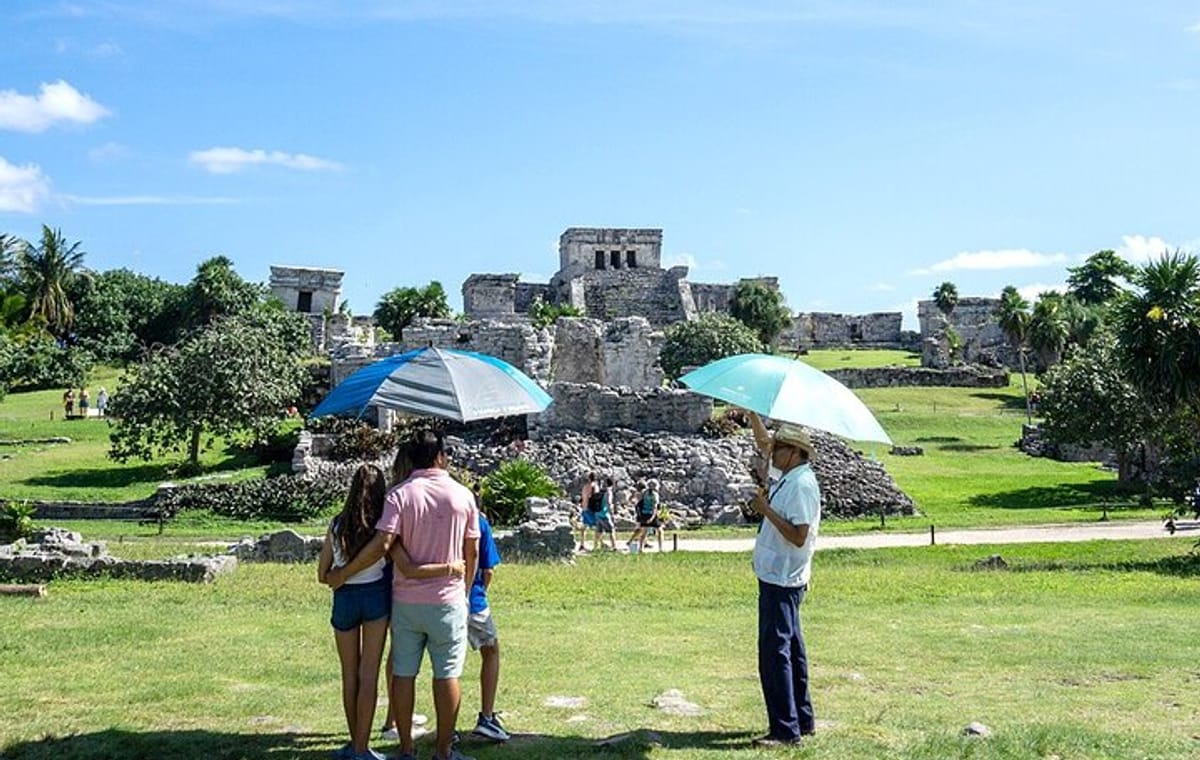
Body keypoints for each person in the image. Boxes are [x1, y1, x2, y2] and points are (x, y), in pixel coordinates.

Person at [328, 429, 480, 760]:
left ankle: (407, 748)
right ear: (441, 456)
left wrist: (344, 573)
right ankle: (444, 751)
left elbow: (385, 542)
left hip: (407, 602)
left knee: (403, 674)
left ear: (411, 458)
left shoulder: (398, 495)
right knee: (447, 674)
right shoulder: (463, 495)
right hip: (448, 598)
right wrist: (465, 591)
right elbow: (472, 551)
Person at [746, 413, 821, 748]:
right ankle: (801, 719)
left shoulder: (801, 485)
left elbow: (799, 536)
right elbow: (763, 442)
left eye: (778, 449)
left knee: (775, 653)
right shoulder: (791, 477)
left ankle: (785, 729)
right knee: (791, 649)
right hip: (781, 575)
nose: (771, 453)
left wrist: (766, 510)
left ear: (793, 452)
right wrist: (751, 414)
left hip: (783, 578)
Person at [317, 464, 393, 760]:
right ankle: (363, 746)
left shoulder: (337, 524)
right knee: (369, 673)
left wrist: (339, 575)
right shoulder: (381, 524)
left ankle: (354, 742)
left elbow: (322, 574)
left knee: (349, 673)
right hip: (375, 595)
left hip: (345, 597)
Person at [466, 510, 510, 742]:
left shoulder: (433, 519)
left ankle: (446, 729)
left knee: (443, 666)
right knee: (491, 651)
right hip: (472, 600)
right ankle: (487, 716)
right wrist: (479, 592)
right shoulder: (478, 521)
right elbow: (488, 570)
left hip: (435, 598)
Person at [629, 479, 662, 553]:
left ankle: (640, 548)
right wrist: (652, 517)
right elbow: (655, 507)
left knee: (644, 531)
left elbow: (638, 502)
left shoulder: (644, 492)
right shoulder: (655, 494)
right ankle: (660, 548)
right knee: (659, 531)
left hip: (643, 513)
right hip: (652, 514)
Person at [593, 477, 618, 552]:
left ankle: (595, 546)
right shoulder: (608, 492)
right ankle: (614, 547)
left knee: (599, 530)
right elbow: (609, 503)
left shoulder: (601, 491)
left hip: (597, 512)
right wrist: (612, 513)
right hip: (605, 513)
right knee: (611, 529)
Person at [577, 472, 598, 551]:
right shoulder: (595, 486)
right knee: (597, 527)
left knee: (584, 527)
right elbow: (595, 497)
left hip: (584, 508)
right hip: (591, 508)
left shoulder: (585, 486)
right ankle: (596, 545)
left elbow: (582, 497)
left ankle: (582, 544)